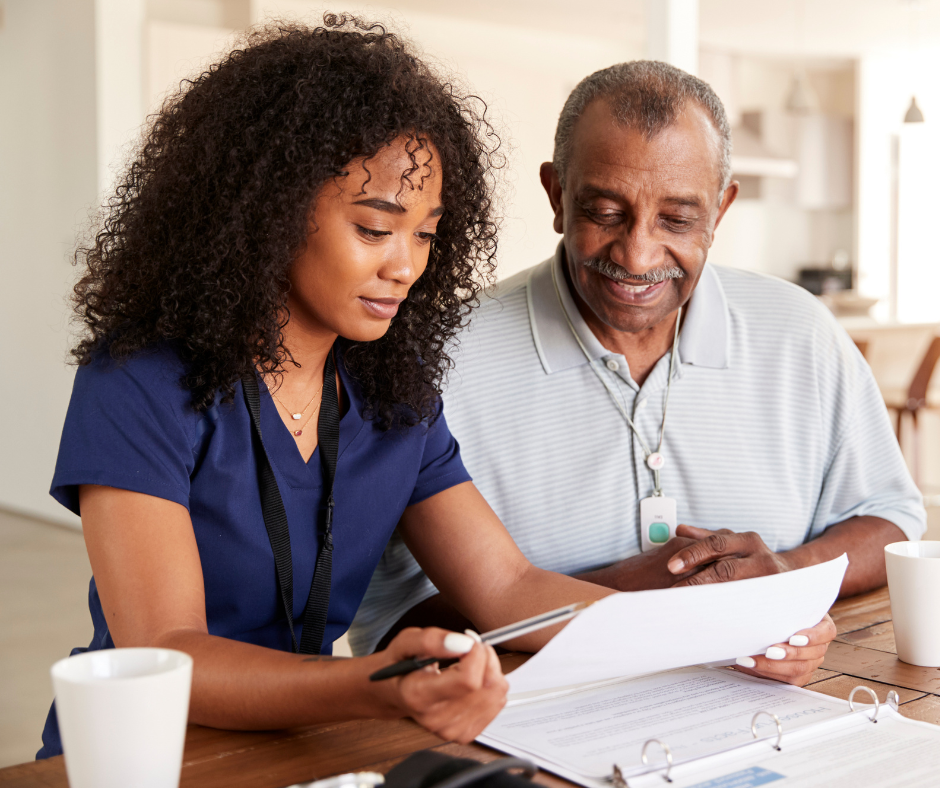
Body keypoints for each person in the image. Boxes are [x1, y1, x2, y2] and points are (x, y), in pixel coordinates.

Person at [39, 29, 834, 758]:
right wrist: (376, 683)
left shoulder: (391, 392)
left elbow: (509, 589)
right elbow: (167, 650)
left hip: (308, 742)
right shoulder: (138, 379)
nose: (406, 266)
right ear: (267, 212)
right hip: (138, 751)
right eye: (375, 228)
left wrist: (727, 632)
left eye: (426, 233)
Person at [349, 61, 923, 657]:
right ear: (556, 194)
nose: (639, 254)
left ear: (721, 211)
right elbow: (393, 621)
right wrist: (629, 597)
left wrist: (782, 576)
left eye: (677, 218)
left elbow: (891, 518)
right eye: (604, 212)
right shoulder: (437, 356)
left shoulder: (802, 331)